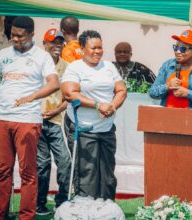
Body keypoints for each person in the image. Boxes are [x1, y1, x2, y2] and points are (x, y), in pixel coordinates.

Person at [0, 16, 60, 219]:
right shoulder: (4, 54)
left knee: (27, 172)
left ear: (31, 35)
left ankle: (26, 216)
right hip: (2, 119)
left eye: (19, 36)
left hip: (27, 120)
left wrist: (32, 96)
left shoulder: (42, 57)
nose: (15, 39)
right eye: (12, 35)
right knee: (2, 170)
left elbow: (53, 83)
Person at [61, 30, 127, 200]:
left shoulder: (109, 67)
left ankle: (106, 208)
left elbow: (121, 90)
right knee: (87, 173)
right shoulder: (74, 68)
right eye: (93, 48)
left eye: (100, 47)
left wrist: (112, 106)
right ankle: (86, 210)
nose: (98, 51)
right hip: (83, 128)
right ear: (82, 48)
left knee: (107, 173)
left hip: (106, 129)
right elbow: (69, 93)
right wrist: (98, 105)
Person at [36, 28, 71, 216]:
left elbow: (69, 95)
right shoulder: (36, 63)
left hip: (56, 122)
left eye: (60, 42)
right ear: (45, 43)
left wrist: (57, 110)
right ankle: (39, 204)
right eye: (53, 42)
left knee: (65, 162)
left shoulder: (66, 66)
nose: (57, 45)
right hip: (37, 121)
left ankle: (62, 201)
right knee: (42, 165)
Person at [149, 29, 192, 109]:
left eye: (183, 49)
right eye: (176, 47)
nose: (178, 51)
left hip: (191, 119)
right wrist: (167, 86)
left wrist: (187, 93)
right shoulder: (168, 65)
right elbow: (152, 92)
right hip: (167, 117)